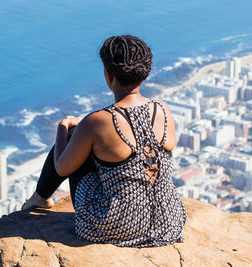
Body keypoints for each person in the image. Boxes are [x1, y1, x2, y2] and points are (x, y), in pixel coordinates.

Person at [22, 35, 186, 247]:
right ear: (145, 73)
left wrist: (63, 128)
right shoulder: (162, 109)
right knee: (96, 146)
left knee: (74, 139)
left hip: (117, 226)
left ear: (108, 75)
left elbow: (62, 168)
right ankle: (41, 197)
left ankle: (40, 198)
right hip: (168, 221)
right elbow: (139, 139)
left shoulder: (96, 122)